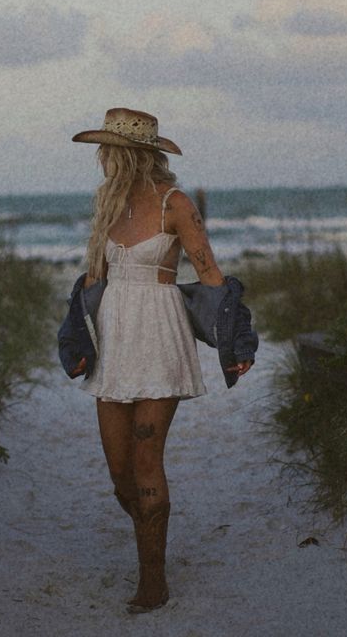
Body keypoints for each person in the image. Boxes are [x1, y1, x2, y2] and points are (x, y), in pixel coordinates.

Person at [67, 107, 253, 613]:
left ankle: (153, 580)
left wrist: (239, 339)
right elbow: (93, 278)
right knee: (119, 470)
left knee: (148, 461)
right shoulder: (108, 202)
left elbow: (210, 273)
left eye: (106, 149)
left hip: (161, 335)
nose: (101, 158)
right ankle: (150, 536)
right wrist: (74, 334)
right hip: (115, 340)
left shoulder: (176, 204)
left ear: (127, 154)